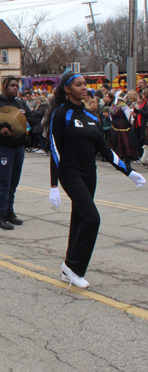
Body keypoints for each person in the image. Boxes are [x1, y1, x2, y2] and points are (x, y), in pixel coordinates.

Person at [47, 73, 146, 288]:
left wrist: (128, 172)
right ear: (67, 89)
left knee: (80, 219)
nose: (84, 88)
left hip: (89, 173)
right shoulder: (60, 114)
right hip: (70, 173)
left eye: (85, 84)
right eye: (78, 84)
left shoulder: (92, 117)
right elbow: (54, 149)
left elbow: (105, 149)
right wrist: (54, 185)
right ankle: (74, 267)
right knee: (93, 219)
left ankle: (67, 267)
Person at [0, 76, 38, 230]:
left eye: (17, 86)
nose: (15, 88)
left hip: (19, 146)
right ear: (4, 87)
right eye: (12, 85)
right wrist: (0, 131)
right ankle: (0, 215)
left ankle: (10, 212)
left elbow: (32, 119)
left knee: (14, 181)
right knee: (4, 181)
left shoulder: (20, 103)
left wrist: (23, 120)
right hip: (3, 147)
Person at [109, 93, 140, 172]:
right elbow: (129, 117)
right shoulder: (124, 106)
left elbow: (110, 117)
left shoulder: (113, 106)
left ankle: (118, 164)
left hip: (115, 126)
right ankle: (127, 164)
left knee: (117, 144)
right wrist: (132, 122)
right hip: (124, 126)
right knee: (127, 144)